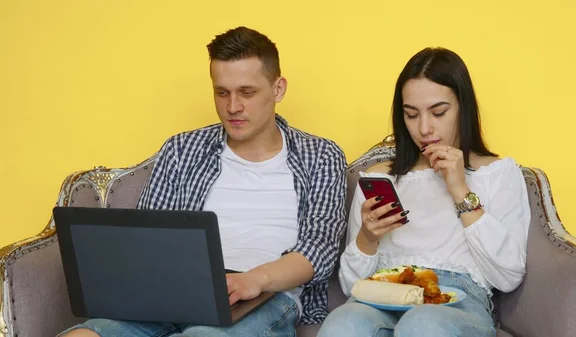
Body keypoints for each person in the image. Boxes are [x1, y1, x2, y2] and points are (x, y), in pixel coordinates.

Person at [59, 26, 347, 337]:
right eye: (222, 92)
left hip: (267, 296)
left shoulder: (321, 155)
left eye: (247, 92)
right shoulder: (183, 149)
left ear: (278, 89)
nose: (232, 106)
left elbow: (320, 248)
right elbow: (150, 238)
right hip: (174, 294)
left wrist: (253, 280)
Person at [317, 47, 530, 337]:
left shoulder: (497, 173)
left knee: (422, 324)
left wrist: (459, 190)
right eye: (411, 114)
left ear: (463, 108)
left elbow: (508, 276)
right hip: (384, 293)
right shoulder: (381, 177)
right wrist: (368, 237)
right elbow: (351, 286)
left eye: (439, 112)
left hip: (457, 302)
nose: (425, 128)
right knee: (343, 323)